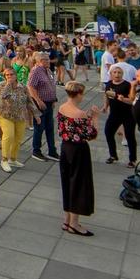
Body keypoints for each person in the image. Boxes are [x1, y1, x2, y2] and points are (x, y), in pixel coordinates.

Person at [58, 81, 100, 236]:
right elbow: (92, 134)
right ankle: (74, 223)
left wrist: (87, 117)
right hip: (78, 150)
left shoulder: (62, 108)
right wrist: (95, 117)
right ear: (79, 94)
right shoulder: (80, 114)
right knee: (79, 183)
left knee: (67, 182)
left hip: (65, 148)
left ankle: (67, 219)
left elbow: (68, 127)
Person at [0, 67, 38, 173]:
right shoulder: (2, 85)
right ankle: (4, 160)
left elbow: (29, 101)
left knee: (18, 138)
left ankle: (12, 159)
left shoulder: (22, 87)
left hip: (20, 116)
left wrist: (37, 115)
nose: (9, 76)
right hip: (5, 115)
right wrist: (9, 84)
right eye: (7, 75)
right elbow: (2, 96)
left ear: (16, 75)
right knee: (8, 135)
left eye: (11, 74)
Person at [28, 52, 60, 163]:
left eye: (48, 59)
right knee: (39, 127)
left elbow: (51, 85)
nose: (48, 61)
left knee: (50, 128)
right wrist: (38, 100)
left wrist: (54, 99)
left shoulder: (48, 70)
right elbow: (31, 87)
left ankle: (52, 151)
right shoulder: (36, 71)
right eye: (46, 59)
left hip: (49, 103)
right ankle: (36, 151)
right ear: (39, 61)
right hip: (40, 103)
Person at [102, 66, 137, 166]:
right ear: (111, 74)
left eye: (119, 73)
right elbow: (106, 95)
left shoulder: (127, 85)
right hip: (114, 114)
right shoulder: (108, 84)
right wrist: (105, 106)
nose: (117, 74)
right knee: (108, 132)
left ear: (122, 74)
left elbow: (132, 100)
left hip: (128, 115)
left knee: (130, 136)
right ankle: (113, 155)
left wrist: (123, 99)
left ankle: (132, 160)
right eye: (115, 72)